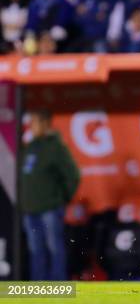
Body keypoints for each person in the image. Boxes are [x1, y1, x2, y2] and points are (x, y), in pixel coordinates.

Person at [20, 110, 80, 280]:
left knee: (54, 247)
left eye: (35, 122)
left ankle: (58, 283)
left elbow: (73, 175)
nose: (31, 126)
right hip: (30, 208)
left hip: (50, 208)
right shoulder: (30, 146)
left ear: (46, 123)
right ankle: (38, 285)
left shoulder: (56, 147)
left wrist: (62, 198)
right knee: (34, 248)